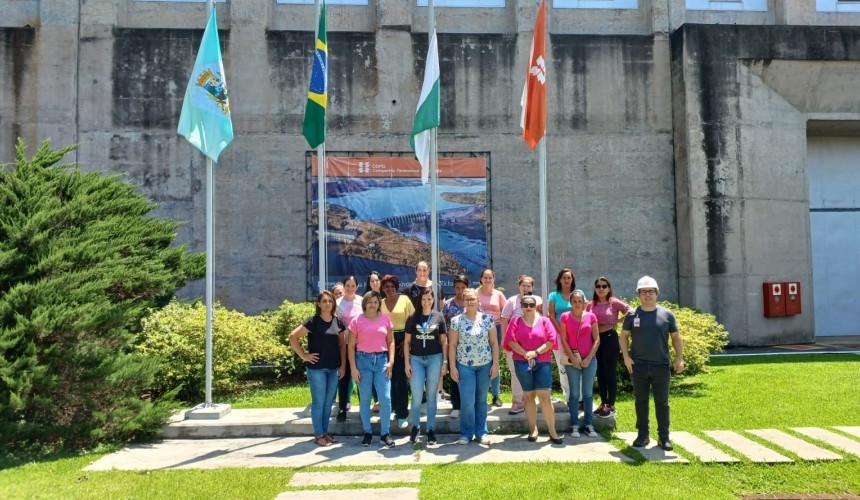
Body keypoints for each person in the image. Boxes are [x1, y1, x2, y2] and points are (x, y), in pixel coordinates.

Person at [621, 276, 684, 451]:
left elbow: (676, 337)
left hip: (661, 366)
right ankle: (643, 436)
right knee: (641, 401)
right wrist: (626, 357)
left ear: (657, 294)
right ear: (639, 294)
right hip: (638, 366)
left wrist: (679, 358)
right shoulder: (632, 314)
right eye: (643, 292)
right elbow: (624, 336)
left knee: (662, 403)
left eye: (650, 291)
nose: (647, 295)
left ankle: (664, 438)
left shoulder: (667, 315)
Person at [289, 290, 346, 447]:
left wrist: (343, 365)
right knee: (319, 402)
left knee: (328, 403)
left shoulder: (338, 322)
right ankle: (318, 434)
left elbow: (342, 345)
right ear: (319, 304)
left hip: (333, 368)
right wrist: (304, 356)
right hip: (317, 370)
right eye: (324, 301)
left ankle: (325, 432)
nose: (328, 304)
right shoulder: (313, 321)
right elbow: (293, 336)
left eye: (330, 301)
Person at [503, 294, 562, 444]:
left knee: (545, 397)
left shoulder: (545, 321)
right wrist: (526, 354)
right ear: (521, 307)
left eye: (531, 304)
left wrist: (535, 353)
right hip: (521, 362)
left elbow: (551, 340)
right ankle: (533, 429)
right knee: (528, 397)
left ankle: (552, 431)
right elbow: (510, 340)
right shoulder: (515, 321)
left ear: (536, 306)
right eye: (525, 305)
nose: (528, 307)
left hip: (542, 362)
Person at [449, 288, 499, 445]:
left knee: (481, 400)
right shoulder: (456, 321)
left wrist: (495, 364)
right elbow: (452, 345)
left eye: (473, 299)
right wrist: (452, 367)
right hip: (464, 366)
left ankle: (481, 432)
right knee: (467, 401)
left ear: (478, 300)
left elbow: (494, 343)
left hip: (484, 365)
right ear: (463, 301)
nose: (470, 301)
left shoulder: (487, 319)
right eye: (467, 299)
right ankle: (466, 433)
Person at [348, 291, 396, 448]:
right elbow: (350, 346)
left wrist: (391, 362)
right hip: (363, 361)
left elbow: (391, 342)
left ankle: (385, 433)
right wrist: (353, 368)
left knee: (385, 398)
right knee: (365, 398)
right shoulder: (357, 321)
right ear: (365, 303)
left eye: (375, 302)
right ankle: (367, 432)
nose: (373, 304)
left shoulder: (385, 319)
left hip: (382, 361)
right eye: (370, 301)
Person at [404, 287, 447, 445]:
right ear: (420, 300)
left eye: (429, 299)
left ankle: (430, 430)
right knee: (416, 396)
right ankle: (415, 427)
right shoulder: (413, 317)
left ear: (433, 300)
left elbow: (444, 341)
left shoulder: (439, 317)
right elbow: (407, 342)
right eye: (424, 299)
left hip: (434, 359)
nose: (426, 302)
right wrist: (407, 363)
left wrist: (445, 362)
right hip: (416, 359)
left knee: (431, 396)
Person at [500, 275, 544, 415]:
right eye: (523, 286)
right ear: (519, 286)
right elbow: (504, 320)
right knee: (516, 373)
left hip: (534, 345)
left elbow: (543, 319)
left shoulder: (538, 301)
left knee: (533, 372)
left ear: (532, 287)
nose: (526, 288)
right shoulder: (512, 301)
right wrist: (504, 340)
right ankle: (517, 402)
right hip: (515, 344)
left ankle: (530, 401)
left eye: (528, 286)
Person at [586, 276, 630, 418]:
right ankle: (603, 403)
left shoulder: (613, 302)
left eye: (604, 286)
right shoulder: (590, 305)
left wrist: (618, 321)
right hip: (595, 341)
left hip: (610, 339)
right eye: (598, 286)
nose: (601, 289)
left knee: (610, 372)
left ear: (609, 288)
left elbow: (630, 311)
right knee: (600, 372)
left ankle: (610, 405)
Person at [559, 289, 600, 438]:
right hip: (572, 360)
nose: (577, 303)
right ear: (571, 302)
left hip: (590, 359)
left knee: (588, 394)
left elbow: (596, 339)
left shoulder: (591, 316)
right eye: (574, 301)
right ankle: (575, 424)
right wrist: (573, 358)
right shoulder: (565, 317)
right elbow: (563, 339)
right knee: (574, 394)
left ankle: (589, 424)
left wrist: (589, 357)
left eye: (580, 301)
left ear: (584, 302)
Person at [380, 274, 416, 429]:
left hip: (403, 338)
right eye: (386, 287)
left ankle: (402, 414)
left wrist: (407, 341)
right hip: (384, 340)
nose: (389, 289)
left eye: (392, 286)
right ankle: (393, 408)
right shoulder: (380, 303)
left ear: (397, 287)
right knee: (388, 376)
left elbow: (413, 320)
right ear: (382, 289)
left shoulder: (405, 300)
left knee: (400, 377)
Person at [440, 274, 477, 419]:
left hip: (472, 347)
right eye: (457, 288)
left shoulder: (473, 303)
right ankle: (456, 405)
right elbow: (442, 325)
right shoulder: (448, 305)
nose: (460, 291)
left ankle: (471, 404)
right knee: (455, 375)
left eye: (463, 287)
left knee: (472, 377)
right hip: (453, 346)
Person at [476, 268, 506, 408]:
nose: (488, 280)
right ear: (481, 279)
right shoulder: (475, 293)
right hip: (479, 330)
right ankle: (481, 395)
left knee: (495, 362)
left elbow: (506, 312)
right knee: (481, 362)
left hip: (497, 328)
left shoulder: (499, 295)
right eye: (485, 277)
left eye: (490, 277)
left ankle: (495, 395)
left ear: (493, 279)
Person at [335, 276, 362, 421]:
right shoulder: (337, 303)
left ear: (357, 286)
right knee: (344, 376)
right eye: (347, 285)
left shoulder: (362, 301)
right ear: (344, 286)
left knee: (360, 376)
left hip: (361, 344)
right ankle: (342, 408)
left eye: (353, 285)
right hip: (344, 344)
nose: (350, 288)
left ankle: (363, 407)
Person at [546, 268, 575, 404]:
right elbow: (551, 315)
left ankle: (579, 397)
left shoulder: (577, 294)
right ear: (559, 280)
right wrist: (561, 332)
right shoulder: (553, 295)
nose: (566, 280)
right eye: (564, 277)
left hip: (576, 336)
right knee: (562, 365)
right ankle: (569, 396)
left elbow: (583, 313)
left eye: (569, 277)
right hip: (558, 334)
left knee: (576, 363)